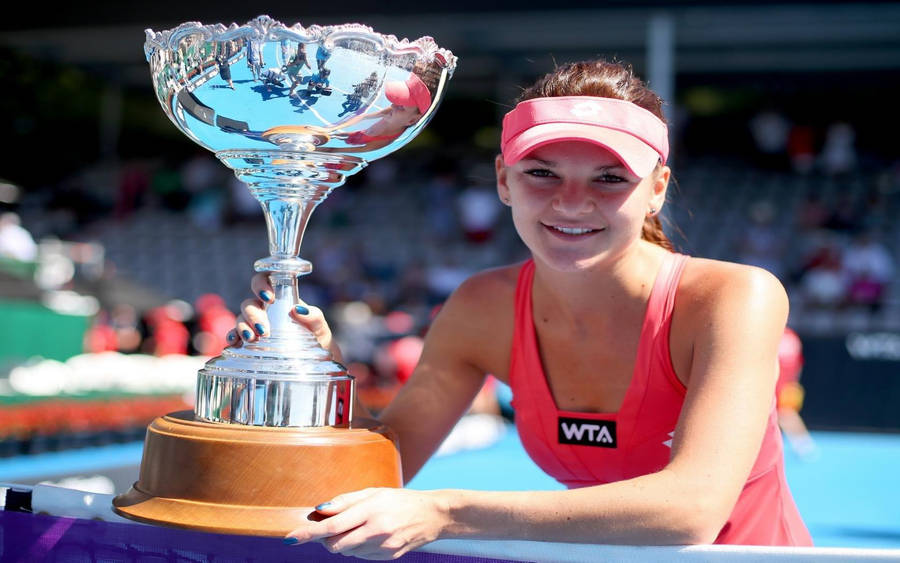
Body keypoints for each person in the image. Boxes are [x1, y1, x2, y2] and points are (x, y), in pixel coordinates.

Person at [231, 59, 812, 557]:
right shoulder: (482, 307)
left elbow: (691, 511)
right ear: (504, 181)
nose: (572, 202)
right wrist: (321, 375)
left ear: (657, 188)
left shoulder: (732, 297)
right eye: (542, 173)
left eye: (609, 178)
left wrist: (446, 511)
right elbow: (386, 466)